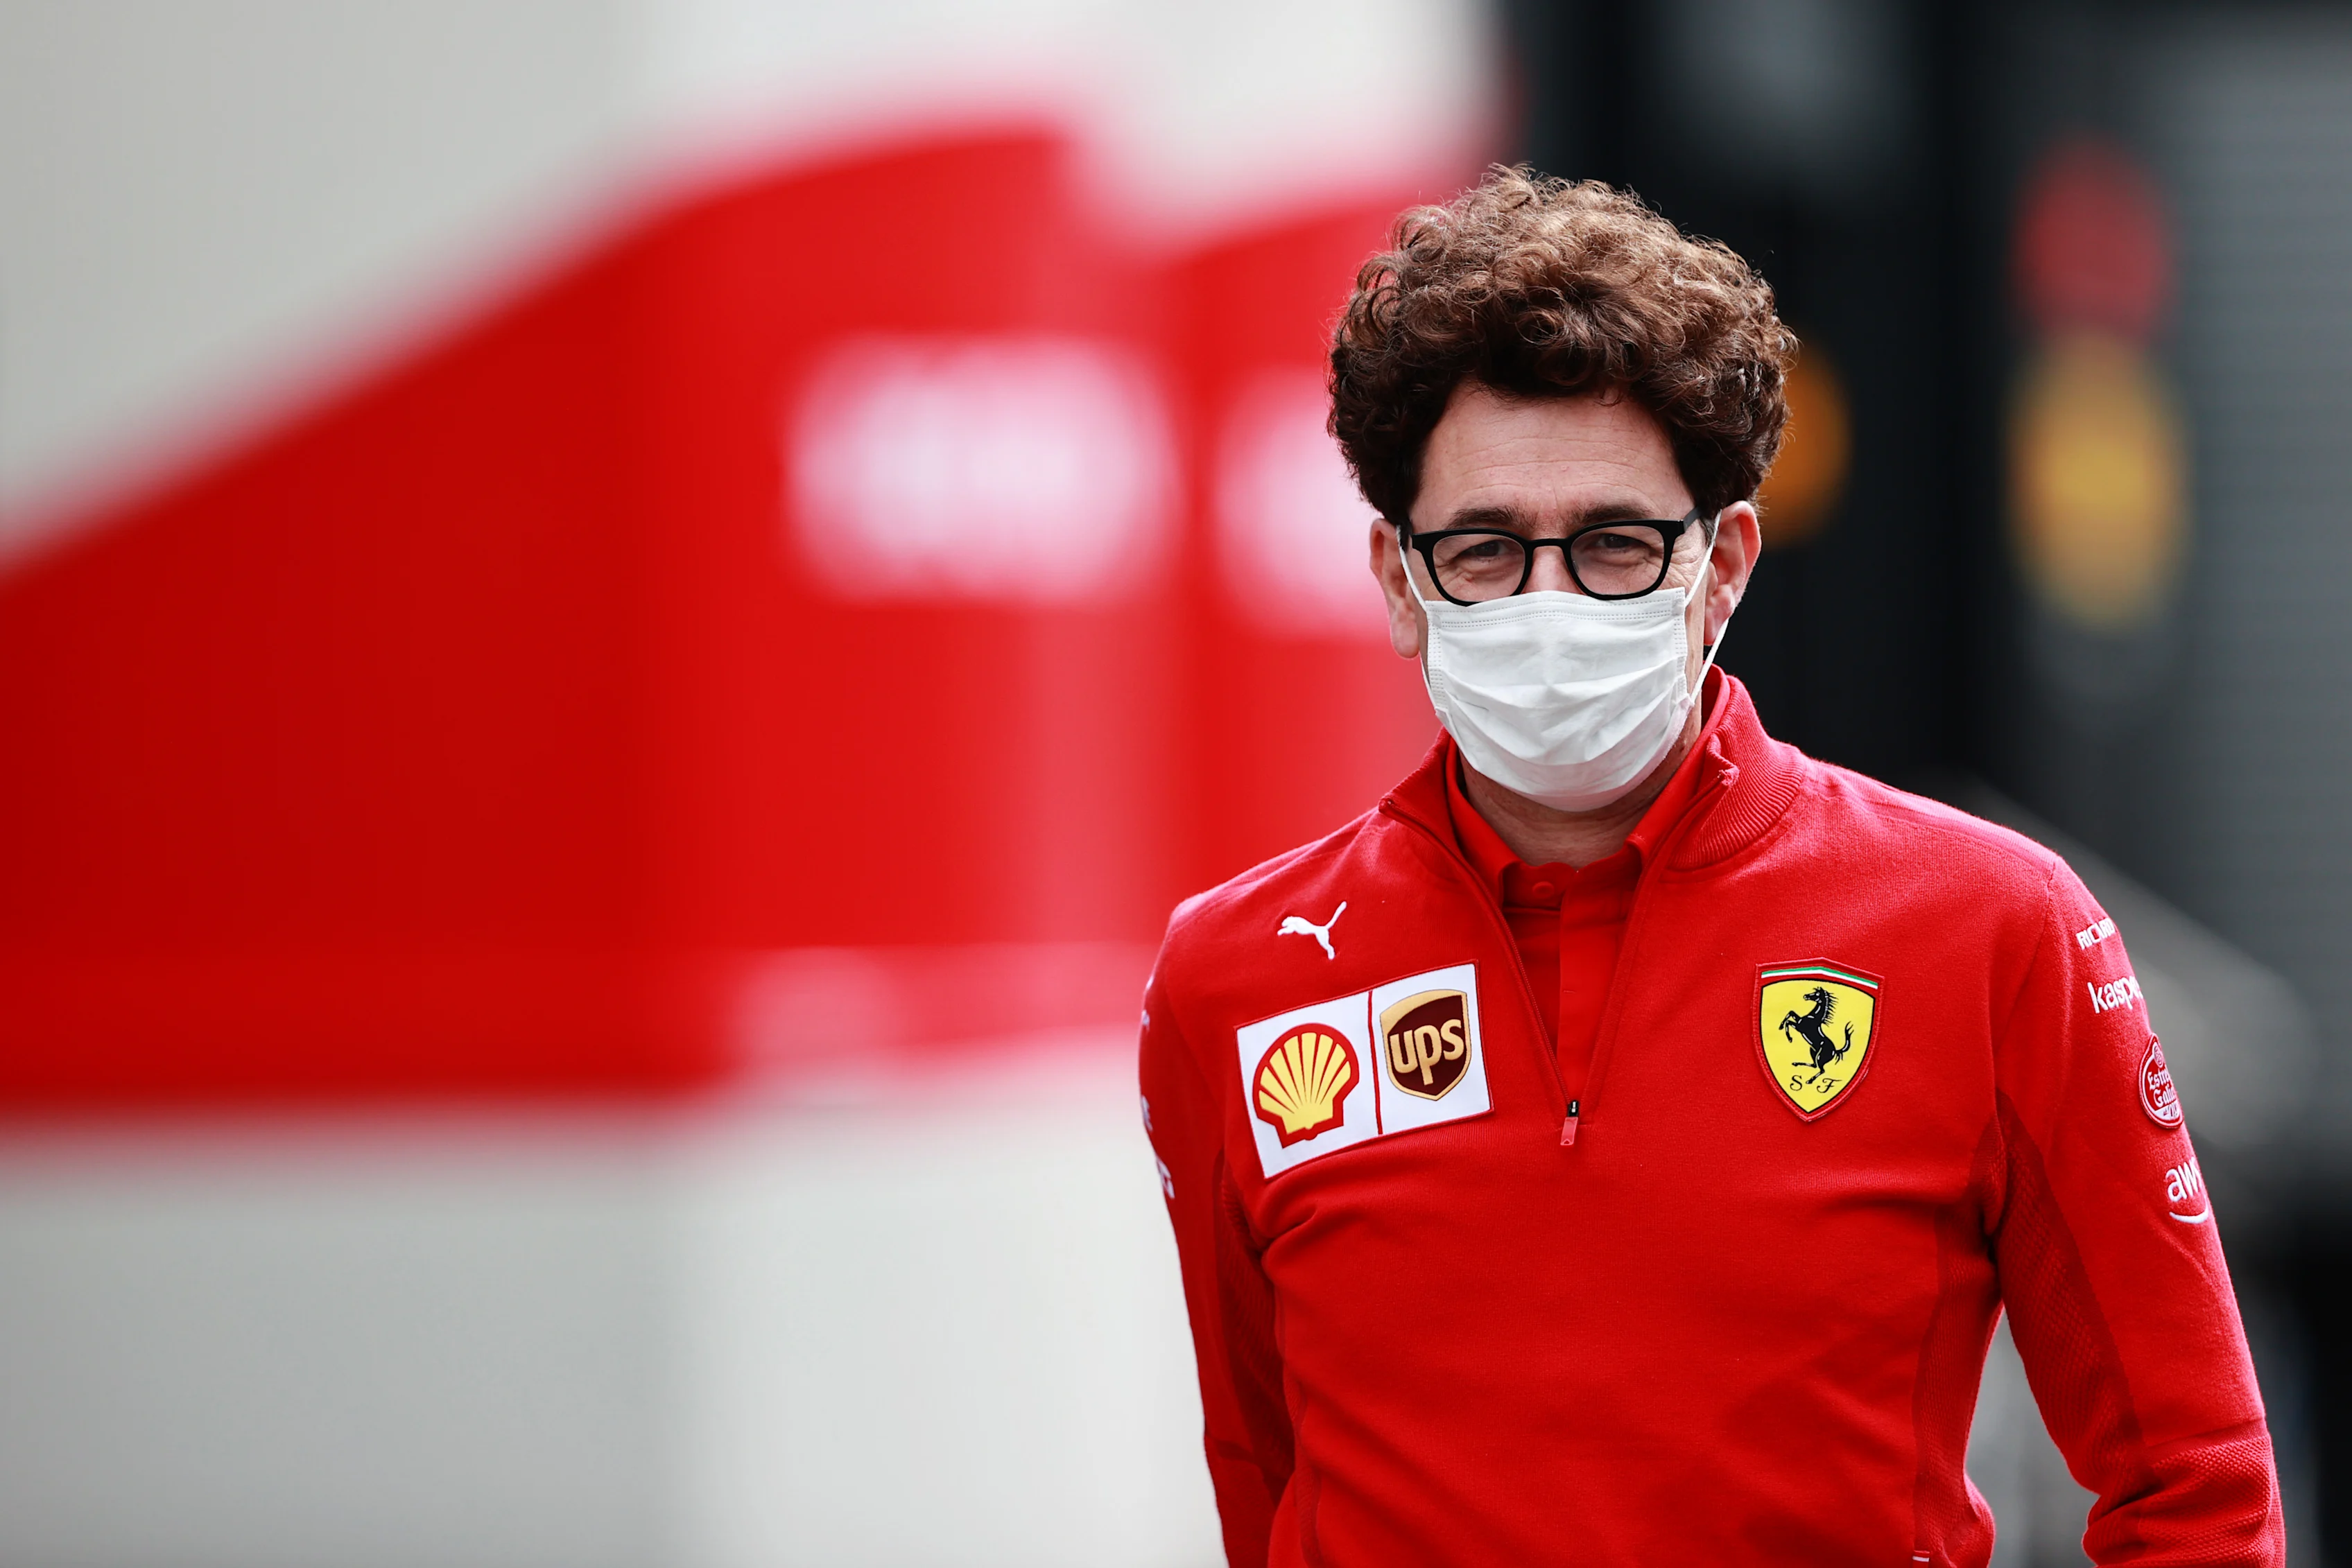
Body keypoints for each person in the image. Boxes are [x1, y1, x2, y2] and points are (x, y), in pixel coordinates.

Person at [1138, 168, 2282, 1567]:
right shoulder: (1232, 976)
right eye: (1487, 550)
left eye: (1614, 545)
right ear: (1396, 578)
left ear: (1722, 565)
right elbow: (1264, 1483)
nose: (1548, 605)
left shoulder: (1989, 929)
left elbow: (2194, 1488)